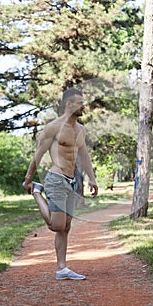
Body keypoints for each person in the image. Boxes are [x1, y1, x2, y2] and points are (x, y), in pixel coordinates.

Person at [23, 87, 98, 280]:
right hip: (56, 179)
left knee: (66, 227)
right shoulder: (53, 127)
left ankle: (62, 268)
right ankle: (37, 193)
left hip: (72, 182)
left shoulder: (81, 129)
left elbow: (84, 156)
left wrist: (92, 178)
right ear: (69, 104)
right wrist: (29, 179)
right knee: (56, 225)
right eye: (80, 103)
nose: (83, 106)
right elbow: (38, 155)